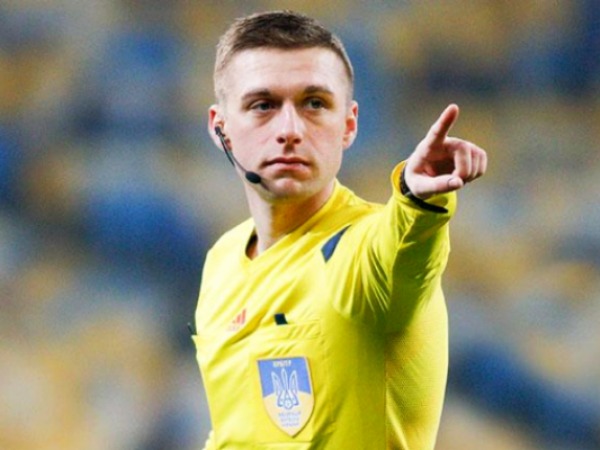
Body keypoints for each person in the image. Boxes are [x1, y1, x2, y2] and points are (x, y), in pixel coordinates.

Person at [191, 10, 487, 450]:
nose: (289, 130)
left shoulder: (359, 250)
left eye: (314, 104)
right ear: (221, 129)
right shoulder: (222, 260)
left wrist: (418, 200)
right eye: (263, 105)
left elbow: (400, 249)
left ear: (348, 125)